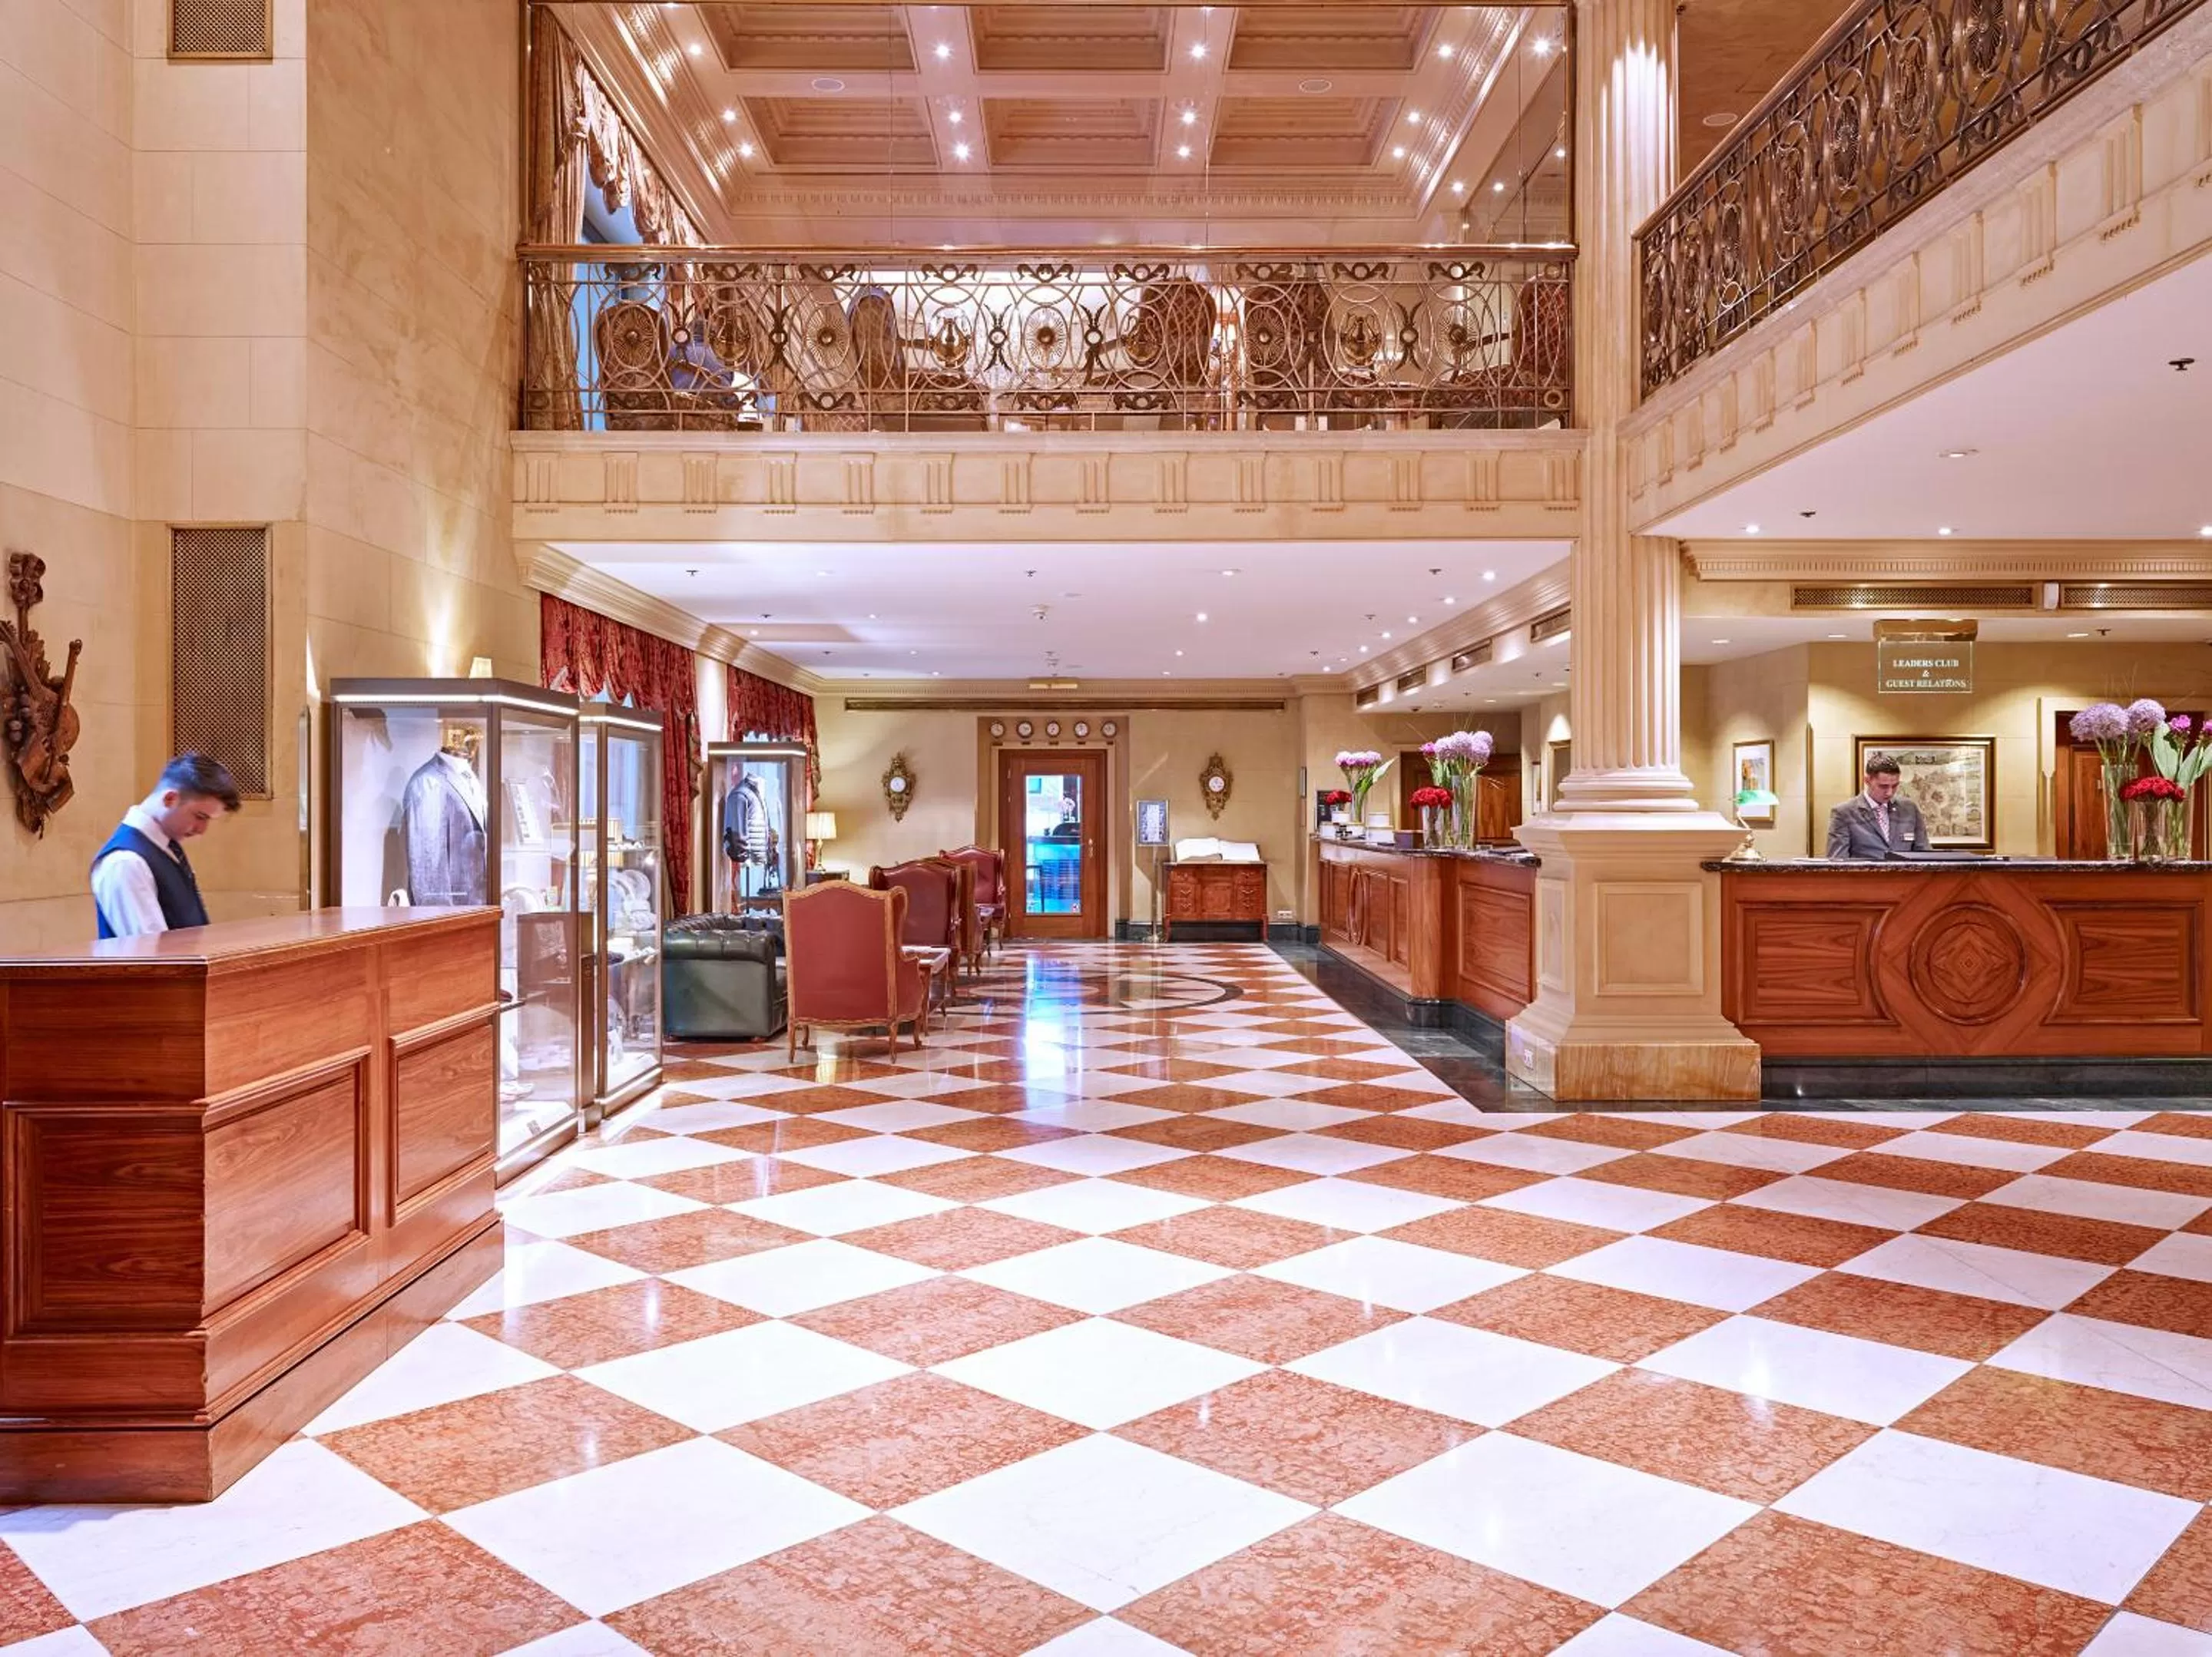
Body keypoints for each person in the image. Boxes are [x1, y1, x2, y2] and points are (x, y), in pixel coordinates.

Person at [90, 752, 240, 938]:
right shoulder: (125, 862)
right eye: (200, 817)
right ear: (170, 799)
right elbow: (150, 957)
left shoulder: (166, 847)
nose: (202, 830)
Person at [1826, 756, 1931, 860]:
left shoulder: (1909, 809)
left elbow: (1926, 855)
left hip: (1908, 876)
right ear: (1867, 781)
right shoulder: (1844, 813)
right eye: (1883, 786)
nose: (1889, 792)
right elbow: (1838, 864)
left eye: (1894, 786)